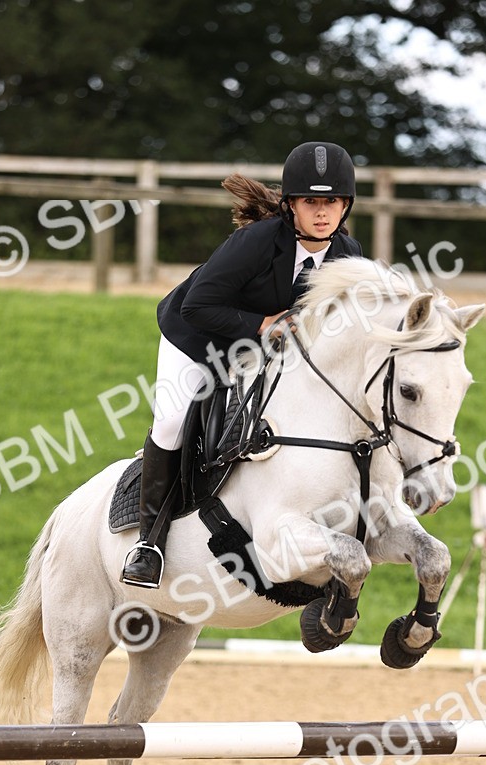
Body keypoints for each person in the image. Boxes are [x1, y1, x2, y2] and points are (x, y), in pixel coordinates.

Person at [121, 141, 362, 588]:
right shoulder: (256, 242)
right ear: (291, 205)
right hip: (197, 335)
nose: (323, 212)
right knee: (174, 419)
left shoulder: (347, 255)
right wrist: (264, 323)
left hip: (265, 348)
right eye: (312, 201)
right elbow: (197, 306)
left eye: (332, 202)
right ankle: (148, 543)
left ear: (346, 205)